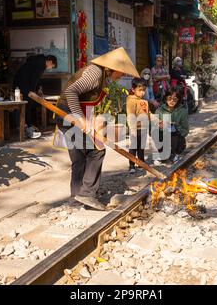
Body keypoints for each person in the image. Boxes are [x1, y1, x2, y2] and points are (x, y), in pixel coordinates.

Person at [56, 47, 139, 210]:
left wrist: (92, 121)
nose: (122, 75)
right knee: (96, 152)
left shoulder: (100, 75)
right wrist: (80, 118)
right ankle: (87, 194)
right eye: (121, 72)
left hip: (69, 115)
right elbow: (71, 92)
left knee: (79, 158)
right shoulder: (95, 73)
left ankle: (76, 199)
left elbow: (85, 99)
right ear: (113, 68)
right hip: (68, 115)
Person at [13, 54, 57, 138]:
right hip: (23, 83)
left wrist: (37, 88)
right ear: (50, 62)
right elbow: (34, 79)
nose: (49, 68)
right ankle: (27, 127)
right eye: (51, 66)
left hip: (19, 82)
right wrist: (33, 92)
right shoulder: (41, 64)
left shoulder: (38, 60)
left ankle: (26, 126)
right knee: (28, 104)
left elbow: (36, 77)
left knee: (25, 104)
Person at [153, 86, 189, 165]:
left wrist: (175, 127)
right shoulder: (159, 111)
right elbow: (152, 129)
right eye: (169, 98)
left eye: (175, 99)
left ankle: (174, 155)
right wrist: (160, 126)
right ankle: (162, 154)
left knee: (172, 130)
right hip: (163, 138)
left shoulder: (183, 111)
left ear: (178, 100)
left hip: (177, 141)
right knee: (156, 131)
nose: (172, 101)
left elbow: (185, 130)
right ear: (166, 98)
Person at [126, 78, 149, 174]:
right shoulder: (131, 100)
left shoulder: (144, 101)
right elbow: (130, 115)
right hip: (135, 129)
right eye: (140, 90)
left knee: (141, 147)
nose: (142, 92)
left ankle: (141, 163)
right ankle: (131, 165)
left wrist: (157, 121)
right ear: (133, 89)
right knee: (134, 147)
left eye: (144, 90)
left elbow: (148, 114)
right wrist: (133, 130)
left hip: (143, 128)